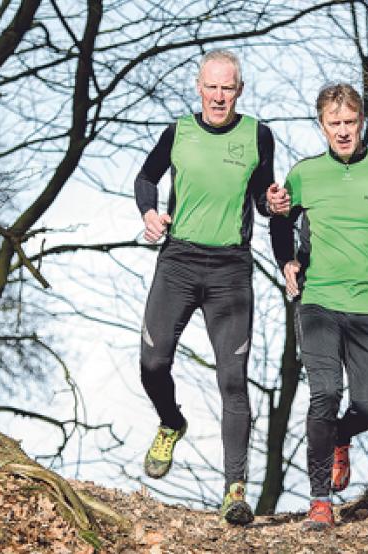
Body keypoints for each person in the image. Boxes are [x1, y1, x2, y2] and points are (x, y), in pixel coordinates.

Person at [267, 83, 368, 531]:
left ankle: (339, 438)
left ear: (362, 122)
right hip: (317, 301)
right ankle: (320, 501)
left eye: (350, 122)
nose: (342, 131)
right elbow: (279, 223)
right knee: (325, 393)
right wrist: (287, 261)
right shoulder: (304, 174)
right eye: (334, 123)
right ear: (322, 125)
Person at [133, 49, 275, 526]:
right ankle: (171, 421)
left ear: (240, 90)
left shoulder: (258, 135)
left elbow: (262, 198)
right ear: (198, 87)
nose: (219, 96)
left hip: (230, 271)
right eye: (211, 87)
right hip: (177, 262)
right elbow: (146, 176)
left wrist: (275, 206)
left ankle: (234, 488)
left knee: (233, 379)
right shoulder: (178, 131)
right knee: (153, 363)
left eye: (227, 87)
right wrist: (150, 213)